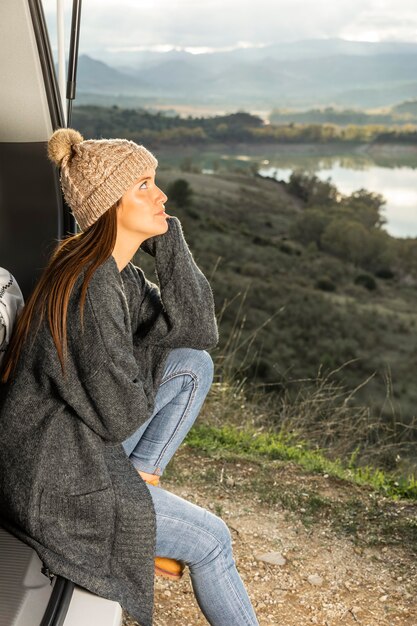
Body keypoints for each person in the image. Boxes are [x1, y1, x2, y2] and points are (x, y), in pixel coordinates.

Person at [0, 128, 259, 626]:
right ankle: (137, 500)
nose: (161, 195)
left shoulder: (120, 276)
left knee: (191, 364)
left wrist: (171, 243)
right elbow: (120, 413)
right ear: (108, 205)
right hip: (54, 485)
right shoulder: (89, 285)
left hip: (77, 449)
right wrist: (141, 362)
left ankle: (140, 483)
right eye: (143, 184)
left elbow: (197, 333)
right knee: (212, 541)